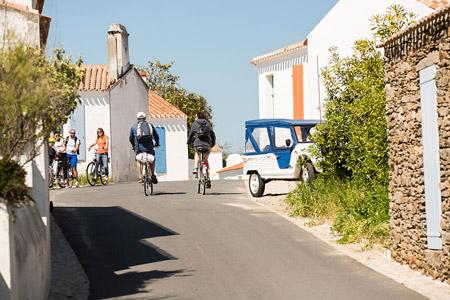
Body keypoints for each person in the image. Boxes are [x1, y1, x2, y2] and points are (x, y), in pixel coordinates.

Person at [129, 112, 160, 184]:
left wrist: (134, 146)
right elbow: (156, 135)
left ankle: (140, 177)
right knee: (152, 160)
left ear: (137, 118)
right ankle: (152, 175)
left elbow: (131, 138)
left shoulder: (134, 127)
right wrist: (157, 143)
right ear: (145, 118)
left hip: (139, 149)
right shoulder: (150, 125)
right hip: (149, 148)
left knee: (138, 161)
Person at [187, 112, 216, 187]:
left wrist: (188, 142)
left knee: (197, 153)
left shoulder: (194, 123)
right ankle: (207, 177)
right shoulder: (208, 123)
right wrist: (212, 143)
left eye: (195, 116)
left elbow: (191, 134)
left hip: (198, 144)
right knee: (205, 160)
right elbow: (212, 134)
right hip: (207, 144)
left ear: (197, 116)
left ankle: (195, 168)